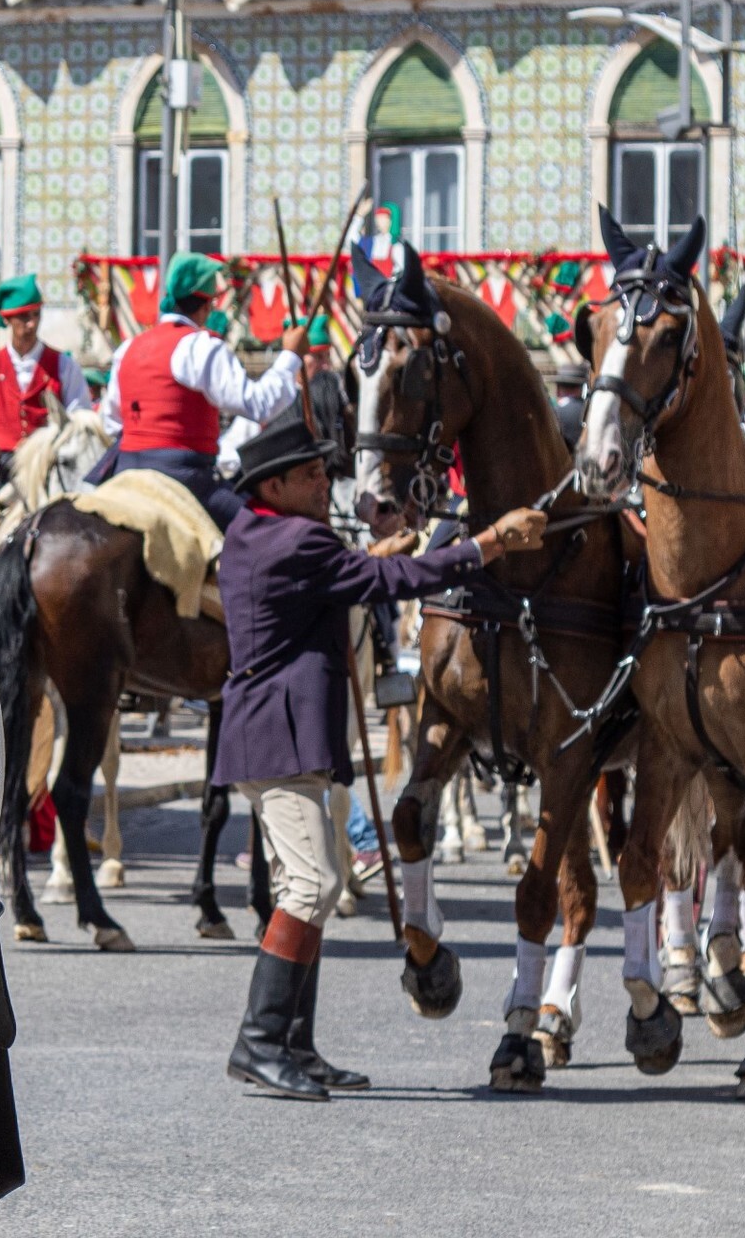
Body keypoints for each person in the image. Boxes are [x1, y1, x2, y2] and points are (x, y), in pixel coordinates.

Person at [215, 400, 546, 1100]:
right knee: (314, 887)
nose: (322, 487)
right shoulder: (299, 545)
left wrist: (376, 553)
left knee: (308, 886)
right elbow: (382, 583)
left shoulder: (255, 531)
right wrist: (489, 544)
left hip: (278, 734)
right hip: (283, 738)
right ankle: (260, 1039)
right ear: (273, 486)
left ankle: (293, 1045)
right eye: (309, 476)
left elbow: (347, 571)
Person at [96, 252, 306, 527]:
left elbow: (110, 422)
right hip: (184, 479)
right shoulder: (201, 348)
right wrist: (290, 357)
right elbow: (258, 405)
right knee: (261, 534)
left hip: (126, 471)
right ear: (207, 304)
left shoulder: (127, 349)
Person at [0, 275, 91, 557]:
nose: (32, 323)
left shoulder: (64, 366)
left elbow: (79, 419)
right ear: (8, 320)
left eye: (36, 315)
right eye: (24, 317)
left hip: (52, 471)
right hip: (5, 472)